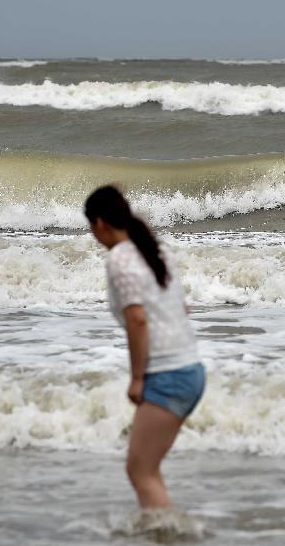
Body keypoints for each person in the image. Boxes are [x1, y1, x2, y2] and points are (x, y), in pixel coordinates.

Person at [84, 185, 204, 512]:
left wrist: (137, 378)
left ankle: (168, 535)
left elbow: (137, 320)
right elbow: (182, 308)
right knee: (147, 469)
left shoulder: (120, 259)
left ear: (100, 224)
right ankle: (167, 530)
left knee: (139, 470)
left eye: (91, 228)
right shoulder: (153, 250)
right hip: (191, 369)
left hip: (168, 374)